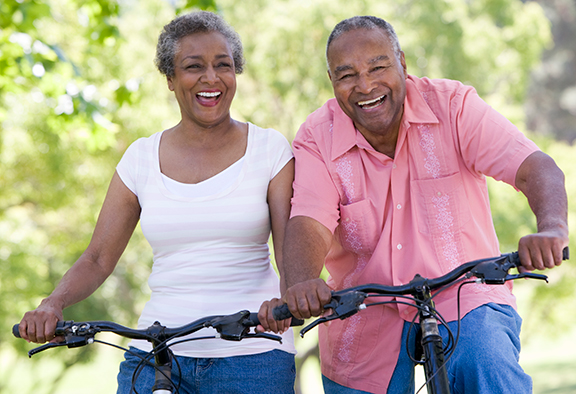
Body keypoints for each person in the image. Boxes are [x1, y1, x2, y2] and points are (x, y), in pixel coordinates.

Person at [259, 15, 569, 394]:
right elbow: (309, 220)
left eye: (378, 66)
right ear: (332, 82)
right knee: (351, 376)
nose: (366, 85)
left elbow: (533, 167)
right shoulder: (317, 135)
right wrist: (303, 282)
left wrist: (551, 227)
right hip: (363, 306)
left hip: (463, 293)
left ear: (402, 63)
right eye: (347, 75)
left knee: (485, 357)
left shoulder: (452, 106)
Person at [18, 11, 296, 394]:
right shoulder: (141, 157)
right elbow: (98, 257)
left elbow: (290, 253)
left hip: (254, 351)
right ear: (170, 78)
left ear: (236, 73)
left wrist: (288, 300)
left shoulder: (270, 149)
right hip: (158, 350)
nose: (211, 78)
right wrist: (53, 303)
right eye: (193, 66)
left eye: (223, 65)